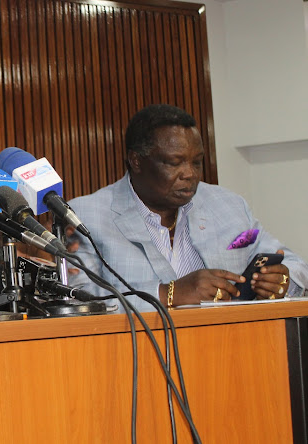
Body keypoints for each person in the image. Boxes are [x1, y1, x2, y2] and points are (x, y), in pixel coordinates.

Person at [66, 104, 308, 310]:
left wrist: (283, 279)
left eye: (197, 162)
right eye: (174, 163)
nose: (190, 174)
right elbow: (78, 302)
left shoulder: (229, 207)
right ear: (136, 161)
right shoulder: (85, 218)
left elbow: (293, 263)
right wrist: (167, 294)